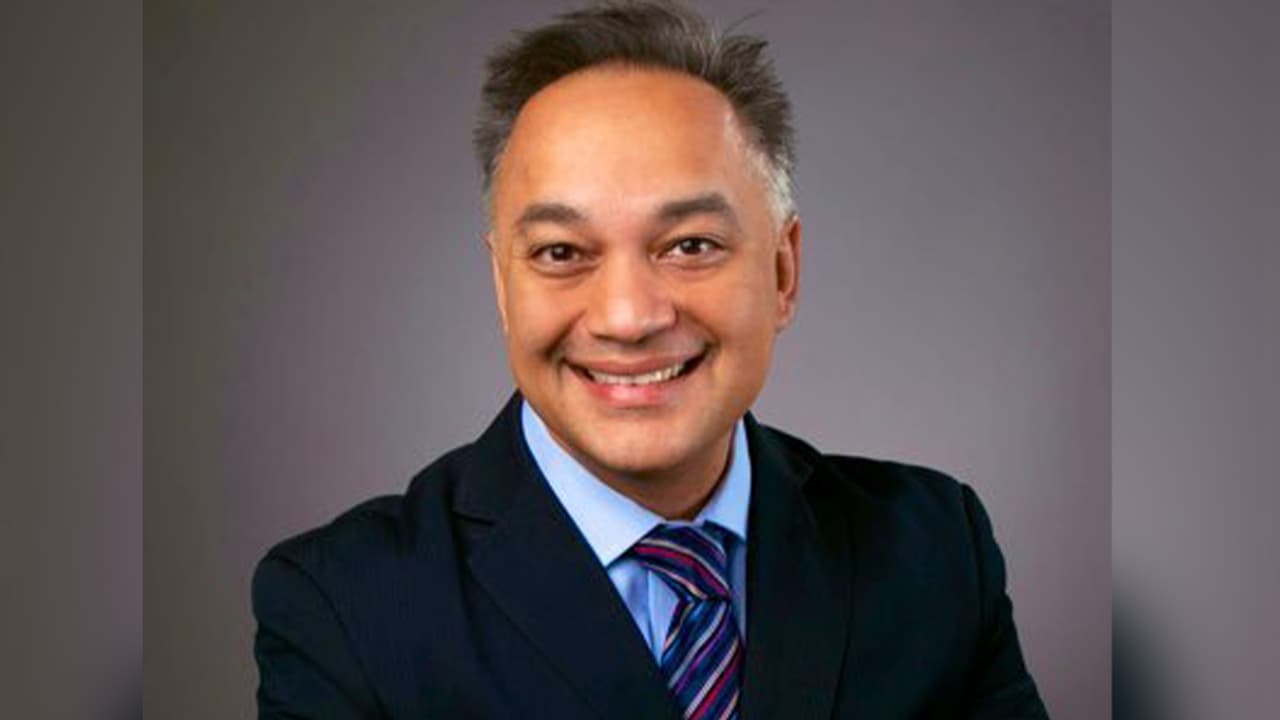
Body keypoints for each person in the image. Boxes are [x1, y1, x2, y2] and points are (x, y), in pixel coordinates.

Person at [251, 2, 1050, 718]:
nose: (628, 318)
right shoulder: (343, 607)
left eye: (690, 245)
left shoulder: (936, 553)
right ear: (502, 285)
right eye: (562, 252)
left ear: (783, 271)